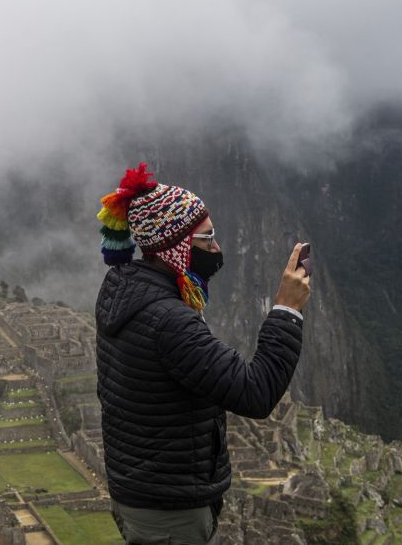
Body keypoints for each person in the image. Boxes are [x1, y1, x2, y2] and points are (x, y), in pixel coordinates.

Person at [95, 163, 311, 545]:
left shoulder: (122, 292)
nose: (217, 250)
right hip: (169, 512)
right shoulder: (168, 321)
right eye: (207, 240)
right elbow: (256, 392)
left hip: (142, 493)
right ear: (175, 249)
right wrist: (286, 310)